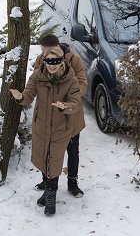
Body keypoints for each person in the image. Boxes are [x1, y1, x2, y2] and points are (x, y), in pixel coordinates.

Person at [10, 46, 84, 216]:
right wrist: (21, 97)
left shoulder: (70, 79)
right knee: (43, 157)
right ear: (45, 61)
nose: (52, 65)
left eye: (56, 62)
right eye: (49, 62)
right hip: (41, 125)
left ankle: (51, 197)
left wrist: (64, 106)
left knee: (54, 159)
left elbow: (75, 102)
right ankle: (47, 190)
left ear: (61, 62)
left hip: (61, 126)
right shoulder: (37, 75)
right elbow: (29, 94)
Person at [33, 34, 87, 197]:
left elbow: (83, 82)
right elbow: (36, 81)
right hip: (47, 116)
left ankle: (72, 183)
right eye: (43, 53)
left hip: (69, 116)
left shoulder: (74, 58)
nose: (45, 56)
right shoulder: (41, 59)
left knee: (72, 150)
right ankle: (46, 180)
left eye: (48, 52)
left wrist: (70, 98)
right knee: (46, 150)